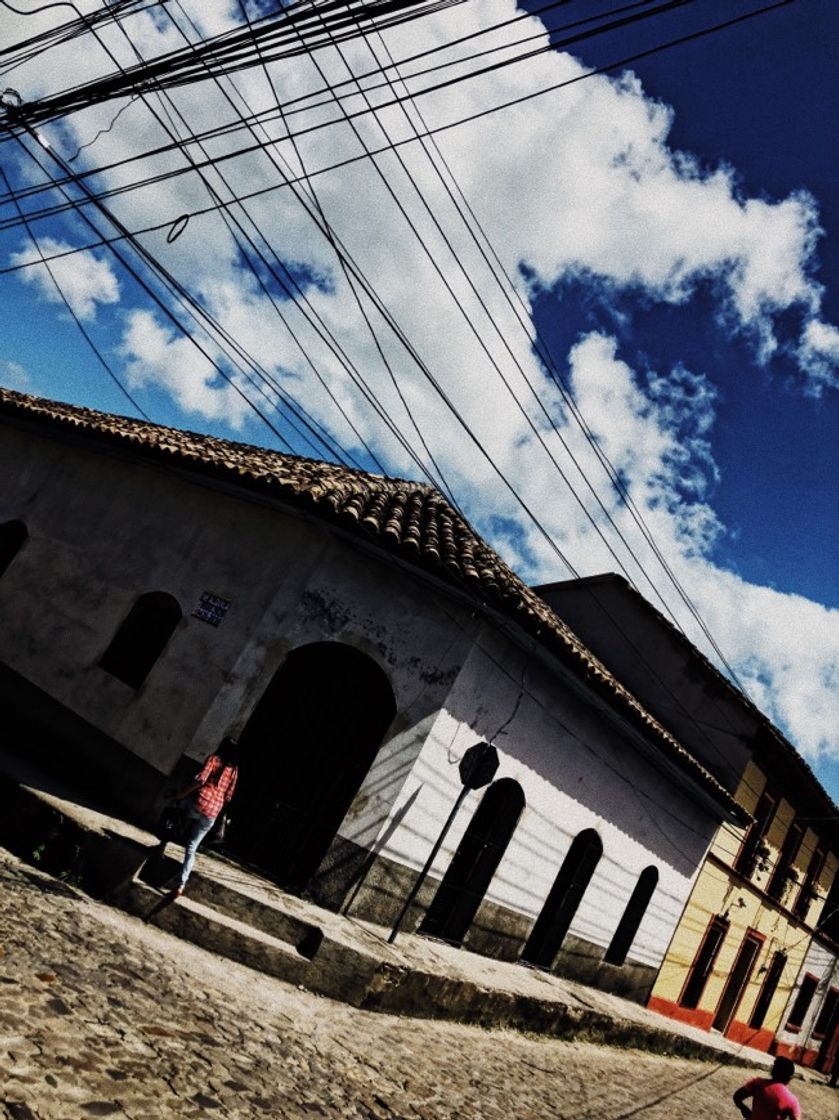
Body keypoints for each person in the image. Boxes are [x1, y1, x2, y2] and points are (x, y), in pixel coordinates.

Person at [171, 735, 239, 897]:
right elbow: (228, 796)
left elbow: (201, 780)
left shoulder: (214, 759)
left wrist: (181, 795)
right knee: (192, 846)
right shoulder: (235, 770)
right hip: (212, 812)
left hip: (198, 802)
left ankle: (161, 846)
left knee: (174, 813)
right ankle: (181, 885)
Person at [733, 1056, 801, 1120]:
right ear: (789, 1078)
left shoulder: (757, 1083)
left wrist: (745, 1109)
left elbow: (737, 1097)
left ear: (773, 1071)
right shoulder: (792, 1101)